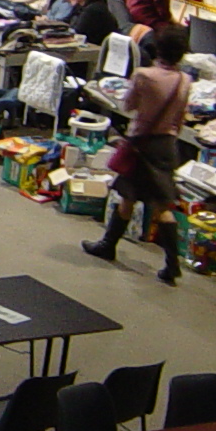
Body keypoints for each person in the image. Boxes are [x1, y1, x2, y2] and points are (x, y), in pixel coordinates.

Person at [82, 25, 193, 285]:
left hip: (142, 143)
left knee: (128, 195)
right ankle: (172, 263)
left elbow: (128, 105)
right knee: (162, 204)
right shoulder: (184, 81)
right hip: (167, 145)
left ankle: (108, 245)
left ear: (158, 49)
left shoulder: (144, 75)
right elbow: (180, 118)